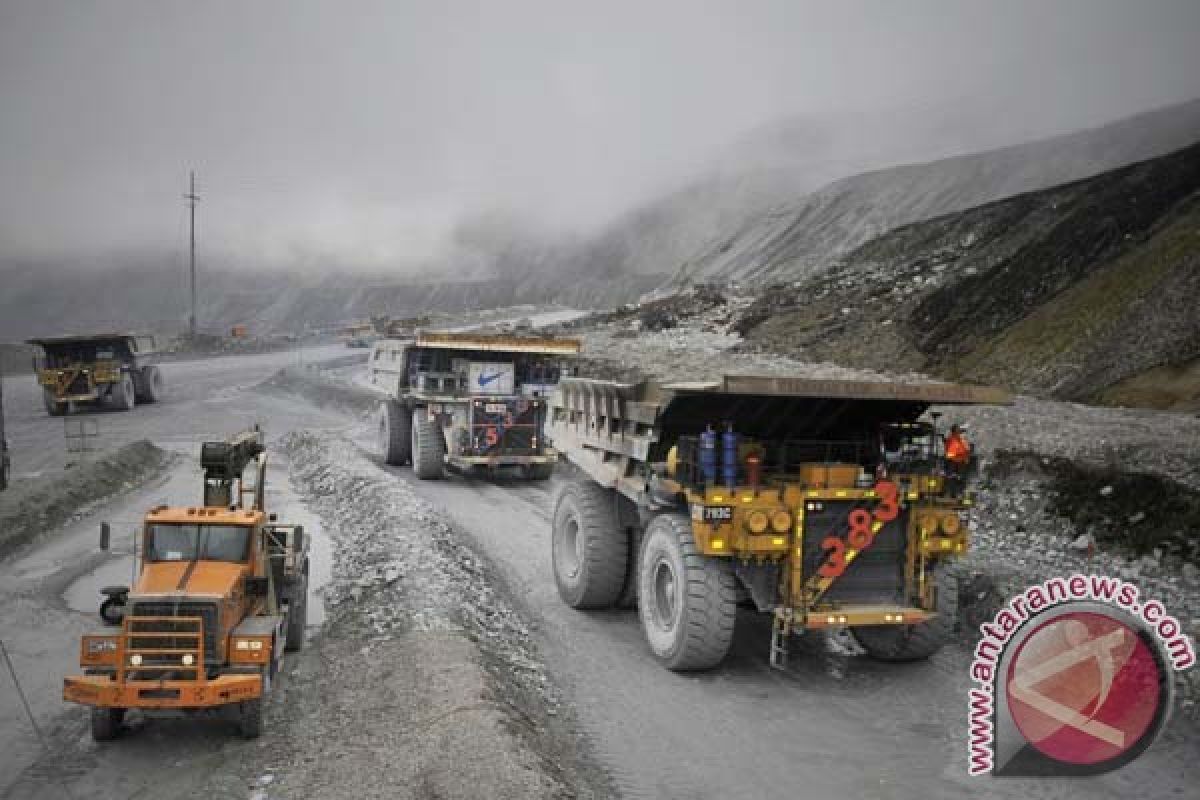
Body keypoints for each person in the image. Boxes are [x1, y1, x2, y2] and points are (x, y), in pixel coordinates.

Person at [944, 424, 971, 493]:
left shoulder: (960, 440)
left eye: (959, 431)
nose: (959, 432)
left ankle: (957, 491)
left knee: (959, 477)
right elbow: (950, 453)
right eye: (958, 430)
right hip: (953, 461)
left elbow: (965, 450)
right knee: (952, 476)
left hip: (959, 462)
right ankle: (951, 491)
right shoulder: (952, 440)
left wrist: (966, 456)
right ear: (954, 431)